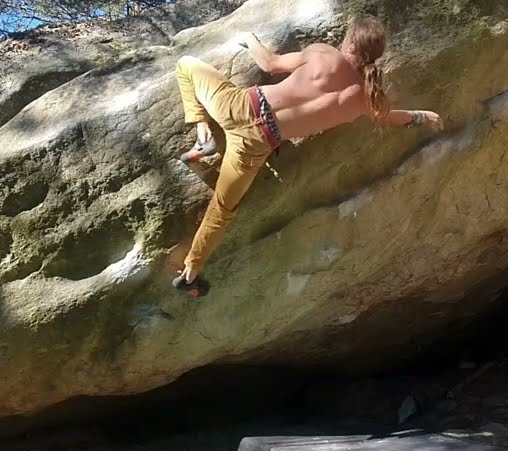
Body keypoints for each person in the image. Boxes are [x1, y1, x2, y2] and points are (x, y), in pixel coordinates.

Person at [172, 15, 442, 297]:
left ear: (349, 42)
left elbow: (269, 64)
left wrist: (249, 38)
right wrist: (422, 115)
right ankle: (191, 271)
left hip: (240, 106)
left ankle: (204, 135)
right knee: (223, 209)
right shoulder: (364, 98)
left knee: (186, 65)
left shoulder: (324, 54)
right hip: (257, 144)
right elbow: (388, 118)